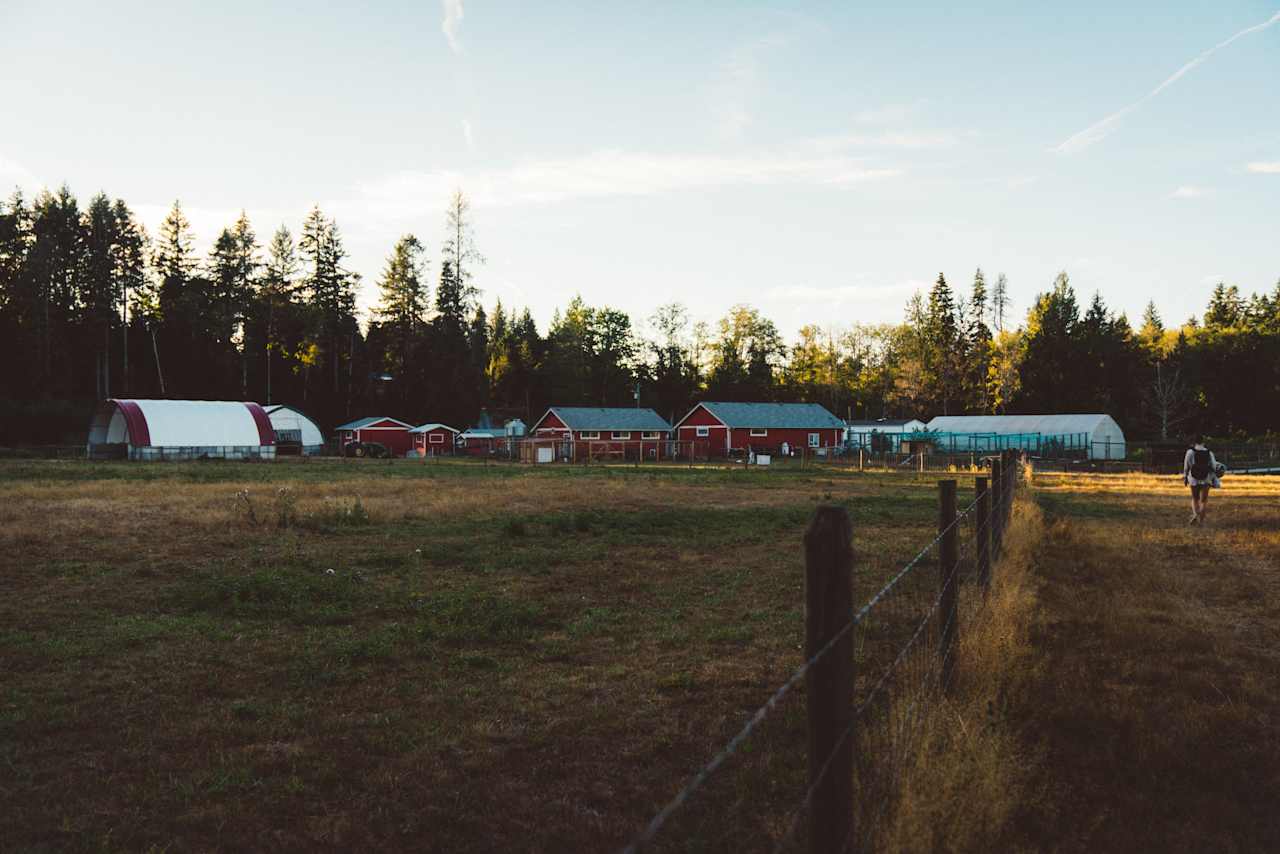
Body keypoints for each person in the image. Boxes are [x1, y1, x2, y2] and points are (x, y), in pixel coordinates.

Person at [1182, 434, 1222, 525]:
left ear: (1194, 442)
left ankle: (1195, 514)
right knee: (1203, 501)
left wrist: (1185, 477)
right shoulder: (1209, 452)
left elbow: (1186, 466)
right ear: (1203, 442)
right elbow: (1214, 466)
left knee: (1195, 499)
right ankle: (1201, 522)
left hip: (1193, 478)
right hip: (1206, 478)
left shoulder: (1190, 452)